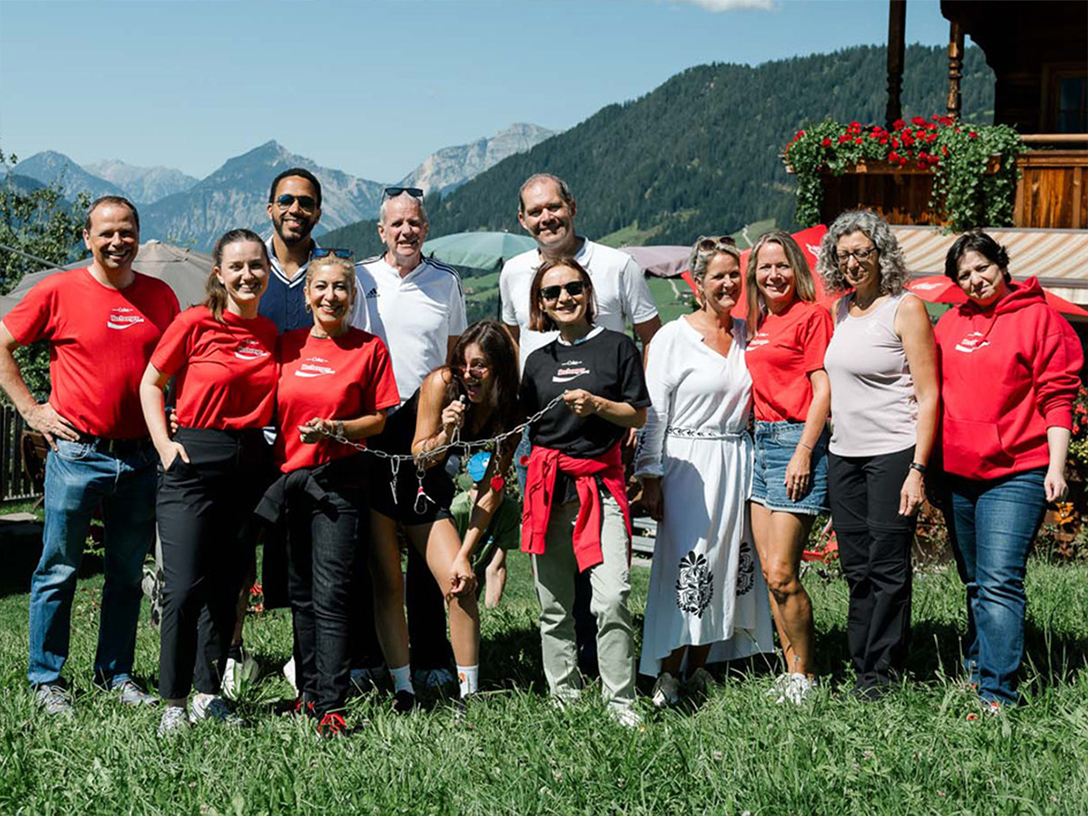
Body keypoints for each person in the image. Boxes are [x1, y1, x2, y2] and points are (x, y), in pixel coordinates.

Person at [0, 196, 178, 714]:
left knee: (125, 573)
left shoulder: (160, 296)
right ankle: (46, 680)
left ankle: (115, 675)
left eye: (127, 231)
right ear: (87, 238)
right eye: (107, 233)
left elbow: (176, 364)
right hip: (78, 453)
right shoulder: (58, 290)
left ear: (138, 235)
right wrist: (32, 410)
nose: (117, 241)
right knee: (58, 568)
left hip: (141, 457)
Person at [500, 173, 661, 677]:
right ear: (523, 220)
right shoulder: (512, 271)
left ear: (572, 206)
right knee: (555, 577)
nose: (547, 218)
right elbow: (511, 345)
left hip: (608, 434)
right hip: (540, 439)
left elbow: (651, 338)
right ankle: (570, 678)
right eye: (536, 211)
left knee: (609, 575)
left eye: (555, 207)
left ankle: (608, 671)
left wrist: (636, 415)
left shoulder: (618, 265)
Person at [934, 231, 1081, 712]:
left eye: (981, 268)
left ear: (1001, 264)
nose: (975, 280)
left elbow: (1058, 398)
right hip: (958, 472)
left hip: (1018, 469)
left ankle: (998, 694)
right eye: (964, 275)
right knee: (975, 580)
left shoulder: (1040, 320)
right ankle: (978, 668)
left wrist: (1055, 467)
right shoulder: (949, 324)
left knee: (999, 580)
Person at [140, 229, 279, 736]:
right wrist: (163, 444)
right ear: (218, 273)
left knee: (229, 585)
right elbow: (151, 382)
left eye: (256, 266)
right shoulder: (194, 323)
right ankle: (173, 702)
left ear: (267, 272)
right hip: (193, 460)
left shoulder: (268, 332)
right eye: (237, 266)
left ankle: (207, 693)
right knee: (181, 588)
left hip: (250, 467)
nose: (247, 275)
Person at [263, 250, 399, 736]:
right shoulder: (286, 346)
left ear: (352, 295)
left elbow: (379, 419)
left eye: (341, 287)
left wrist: (338, 428)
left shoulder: (369, 349)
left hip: (339, 483)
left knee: (332, 593)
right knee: (299, 593)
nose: (331, 296)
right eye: (321, 287)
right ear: (307, 294)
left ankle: (333, 704)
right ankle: (308, 693)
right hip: (289, 482)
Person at [635, 237, 774, 708]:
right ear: (698, 284)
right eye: (718, 275)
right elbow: (654, 412)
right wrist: (649, 476)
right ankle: (667, 672)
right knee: (687, 565)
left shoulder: (746, 334)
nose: (729, 283)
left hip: (737, 459)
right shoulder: (674, 336)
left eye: (735, 274)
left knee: (727, 562)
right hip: (687, 463)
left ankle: (699, 667)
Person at [520, 258, 649, 727]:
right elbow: (526, 427)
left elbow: (636, 415)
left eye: (572, 288)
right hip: (548, 488)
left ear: (588, 291)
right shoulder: (537, 361)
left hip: (600, 485)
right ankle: (565, 695)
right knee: (554, 605)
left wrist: (597, 405)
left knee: (612, 595)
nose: (563, 299)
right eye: (551, 293)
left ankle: (621, 701)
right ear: (541, 304)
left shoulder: (617, 348)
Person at [367, 320, 520, 710]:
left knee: (460, 583)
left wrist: (466, 552)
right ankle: (404, 689)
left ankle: (470, 695)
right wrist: (449, 432)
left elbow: (493, 488)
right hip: (385, 478)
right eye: (464, 364)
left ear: (499, 367)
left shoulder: (509, 411)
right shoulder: (441, 382)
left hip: (427, 491)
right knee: (389, 586)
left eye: (480, 365)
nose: (468, 374)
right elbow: (421, 453)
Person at [352, 187, 469, 698]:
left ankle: (432, 657)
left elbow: (453, 358)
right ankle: (369, 655)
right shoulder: (358, 277)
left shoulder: (446, 282)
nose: (406, 231)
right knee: (366, 551)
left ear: (426, 228)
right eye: (396, 223)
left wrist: (451, 416)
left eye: (415, 223)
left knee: (426, 550)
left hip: (425, 426)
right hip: (371, 421)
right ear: (381, 231)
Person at [818, 210, 939, 700]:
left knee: (888, 566)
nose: (852, 263)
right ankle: (861, 662)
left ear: (880, 253)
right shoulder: (840, 311)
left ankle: (882, 673)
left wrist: (918, 469)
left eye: (861, 253)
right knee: (856, 566)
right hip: (843, 454)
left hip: (894, 452)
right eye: (843, 255)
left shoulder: (904, 308)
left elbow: (929, 395)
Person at [743, 231, 834, 704]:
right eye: (764, 267)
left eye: (781, 266)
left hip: (792, 443)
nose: (773, 274)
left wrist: (803, 450)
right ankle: (789, 671)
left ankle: (806, 675)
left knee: (782, 572)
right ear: (754, 275)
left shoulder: (811, 316)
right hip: (759, 443)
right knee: (767, 573)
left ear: (796, 269)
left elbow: (823, 389)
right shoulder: (759, 322)